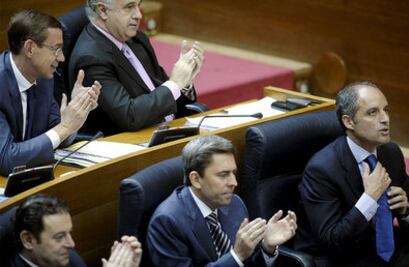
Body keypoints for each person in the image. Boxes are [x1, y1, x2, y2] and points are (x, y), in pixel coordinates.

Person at [299, 81, 409, 267]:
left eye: (386, 110)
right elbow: (332, 242)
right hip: (343, 259)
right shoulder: (321, 170)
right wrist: (369, 198)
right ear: (348, 121)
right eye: (372, 112)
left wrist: (406, 211)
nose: (385, 119)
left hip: (384, 253)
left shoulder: (391, 153)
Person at [147, 135, 297, 266]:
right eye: (223, 174)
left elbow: (247, 263)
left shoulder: (235, 204)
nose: (234, 182)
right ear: (196, 179)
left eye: (233, 173)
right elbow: (239, 259)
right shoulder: (167, 222)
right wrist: (236, 256)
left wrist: (267, 247)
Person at [68, 0, 204, 136]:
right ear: (102, 11)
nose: (139, 14)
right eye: (129, 7)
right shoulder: (91, 58)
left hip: (168, 130)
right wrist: (175, 83)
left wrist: (184, 81)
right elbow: (129, 116)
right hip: (132, 145)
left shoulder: (137, 39)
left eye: (138, 5)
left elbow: (163, 91)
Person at [0, 10, 101, 176]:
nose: (61, 58)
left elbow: (55, 133)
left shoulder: (43, 77)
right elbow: (6, 159)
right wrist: (65, 126)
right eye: (56, 49)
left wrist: (76, 111)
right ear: (30, 48)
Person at [10, 194, 142, 267]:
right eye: (59, 237)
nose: (71, 244)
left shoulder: (70, 259)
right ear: (28, 240)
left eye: (69, 233)